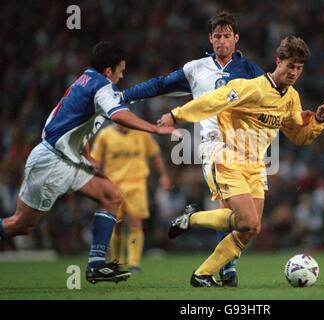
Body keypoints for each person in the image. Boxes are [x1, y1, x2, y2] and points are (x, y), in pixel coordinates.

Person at [158, 36, 324, 287]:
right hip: (228, 157)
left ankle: (201, 272)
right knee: (247, 221)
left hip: (256, 165)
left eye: (299, 68)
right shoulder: (251, 87)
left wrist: (317, 119)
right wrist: (177, 114)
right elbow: (213, 100)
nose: (294, 72)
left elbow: (298, 135)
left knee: (251, 229)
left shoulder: (291, 98)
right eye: (290, 65)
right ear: (278, 61)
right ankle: (194, 223)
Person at [0, 42, 174, 284]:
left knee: (112, 196)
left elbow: (77, 121)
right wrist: (153, 128)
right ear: (108, 71)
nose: (122, 75)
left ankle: (96, 265)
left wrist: (87, 153)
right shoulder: (102, 86)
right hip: (51, 163)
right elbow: (118, 115)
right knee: (20, 225)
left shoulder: (85, 79)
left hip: (69, 160)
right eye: (120, 70)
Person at [120, 11, 264, 286]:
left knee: (245, 220)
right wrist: (125, 96)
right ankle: (227, 269)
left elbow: (274, 96)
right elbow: (160, 85)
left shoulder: (250, 70)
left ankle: (203, 234)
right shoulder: (196, 69)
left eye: (226, 36)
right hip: (214, 147)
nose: (222, 41)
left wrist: (303, 116)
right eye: (217, 36)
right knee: (232, 209)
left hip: (246, 148)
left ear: (236, 38)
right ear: (210, 39)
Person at [90, 123, 171, 273]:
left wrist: (164, 175)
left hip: (136, 184)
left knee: (136, 223)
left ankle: (134, 263)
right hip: (114, 186)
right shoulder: (104, 135)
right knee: (117, 225)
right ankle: (117, 261)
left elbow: (155, 154)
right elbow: (95, 161)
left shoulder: (141, 133)